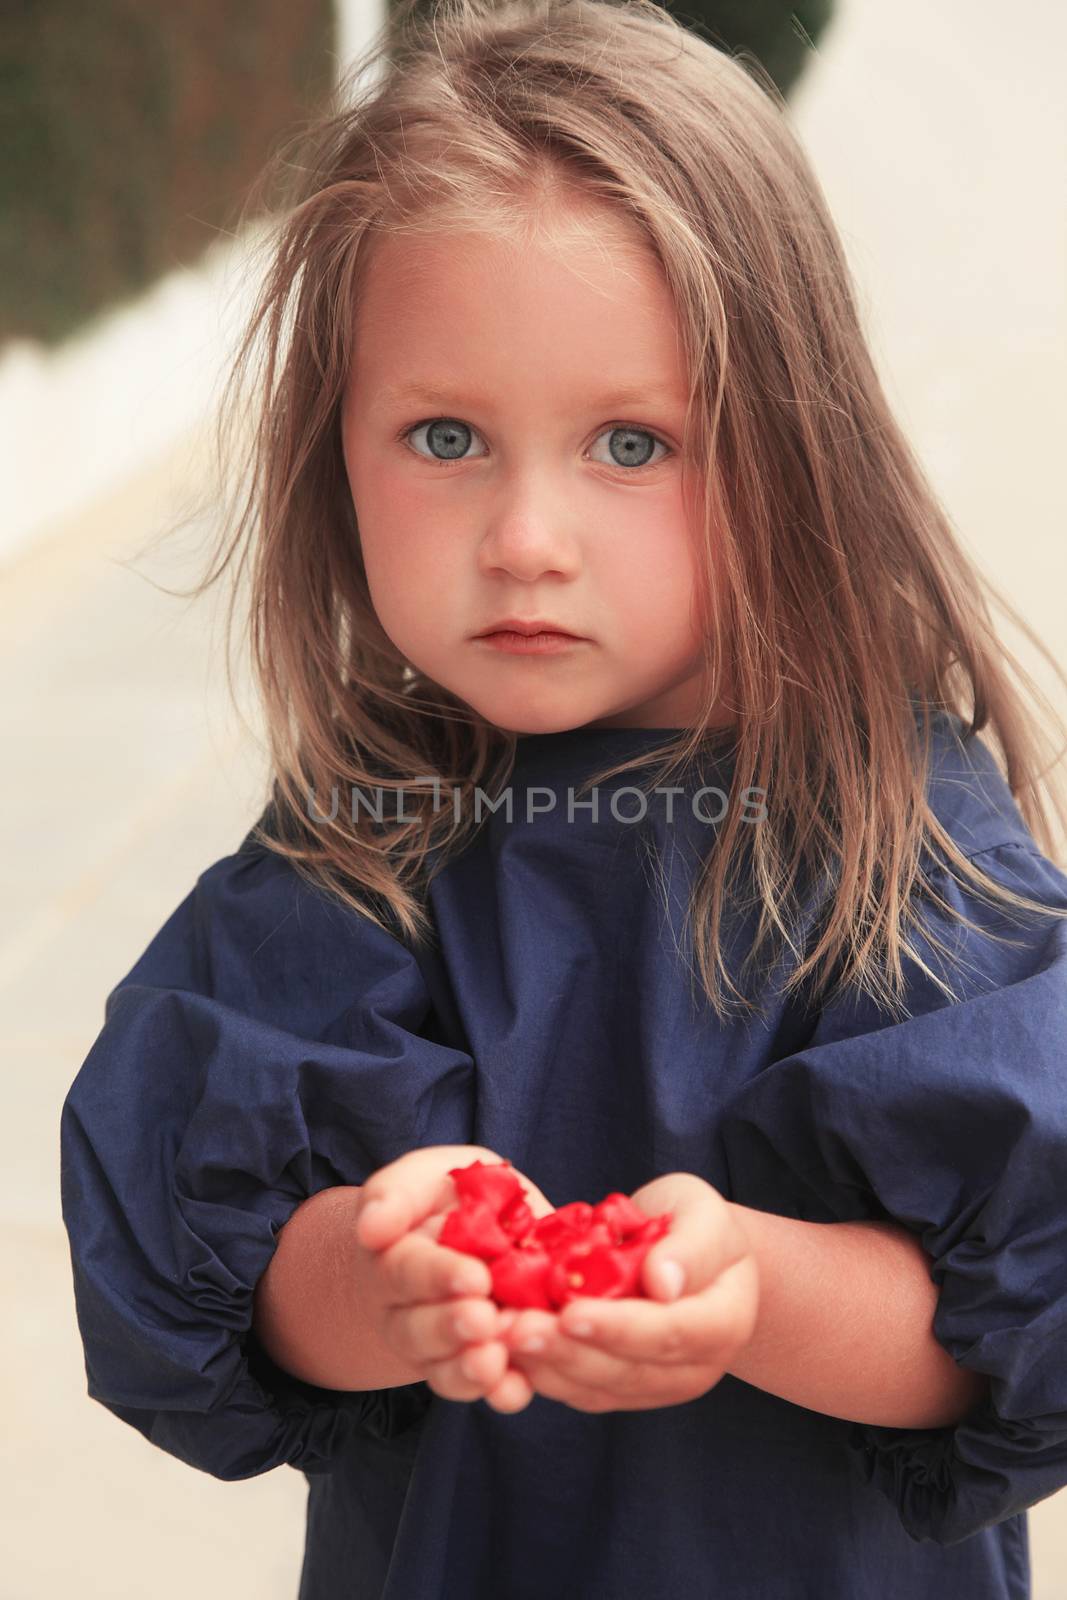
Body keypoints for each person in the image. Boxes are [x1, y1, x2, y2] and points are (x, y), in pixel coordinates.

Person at [60, 0, 1067, 1595]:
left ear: (793, 445)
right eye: (445, 437)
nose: (527, 536)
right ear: (337, 453)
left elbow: (1006, 1326)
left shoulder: (901, 846)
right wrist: (385, 1276)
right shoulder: (356, 851)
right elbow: (222, 1283)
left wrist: (754, 1290)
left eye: (630, 443)